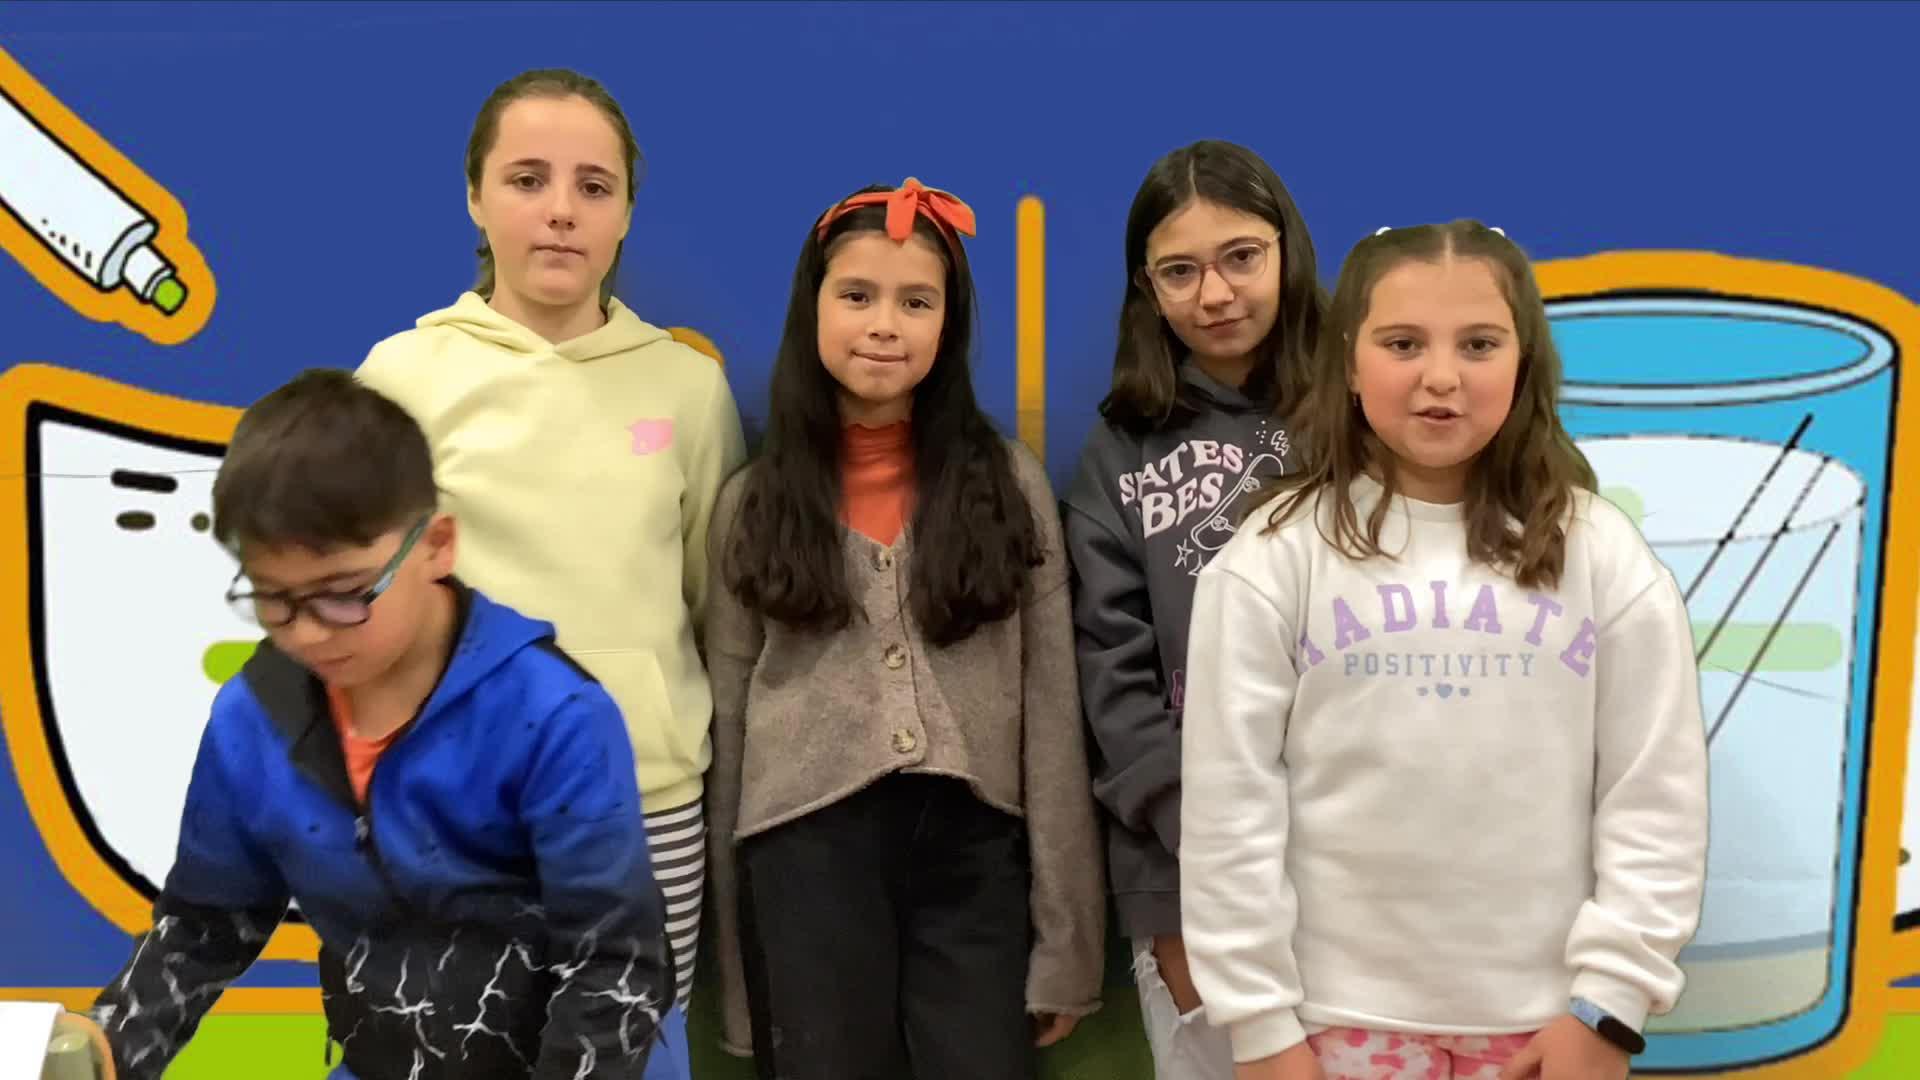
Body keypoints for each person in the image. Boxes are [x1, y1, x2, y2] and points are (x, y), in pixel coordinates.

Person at [1179, 221, 1709, 1080]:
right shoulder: (1274, 558)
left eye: (1479, 344)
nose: (1440, 376)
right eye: (1402, 344)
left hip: (1549, 1030)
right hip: (1329, 1028)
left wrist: (1610, 1006)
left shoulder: (1600, 553)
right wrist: (1261, 1025)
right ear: (1350, 363)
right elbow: (1227, 809)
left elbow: (1656, 793)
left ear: (1524, 362)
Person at [90, 370, 684, 1080]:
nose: (307, 633)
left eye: (344, 594)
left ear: (436, 545)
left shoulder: (552, 715)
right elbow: (204, 927)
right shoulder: (252, 717)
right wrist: (98, 1056)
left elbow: (614, 969)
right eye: (273, 599)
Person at [356, 67, 746, 1012]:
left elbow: (712, 602)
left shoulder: (687, 389)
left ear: (626, 214)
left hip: (647, 811)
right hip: (457, 815)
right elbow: (360, 618)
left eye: (593, 186)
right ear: (475, 197)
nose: (562, 210)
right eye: (528, 180)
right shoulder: (401, 377)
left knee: (634, 1055)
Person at [702, 179, 1106, 1079]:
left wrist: (1068, 946)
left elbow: (1052, 722)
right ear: (812, 308)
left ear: (948, 324)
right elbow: (728, 740)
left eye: (916, 302)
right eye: (857, 295)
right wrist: (742, 983)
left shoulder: (1009, 484)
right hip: (802, 858)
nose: (885, 325)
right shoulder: (751, 505)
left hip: (975, 860)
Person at [1063, 139, 1325, 1078]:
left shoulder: (1360, 411)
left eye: (1241, 257)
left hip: (1357, 848)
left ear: (1287, 249)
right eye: (1179, 272)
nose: (1214, 294)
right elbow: (1110, 665)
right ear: (1147, 287)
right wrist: (1195, 824)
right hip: (1183, 863)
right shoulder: (1122, 449)